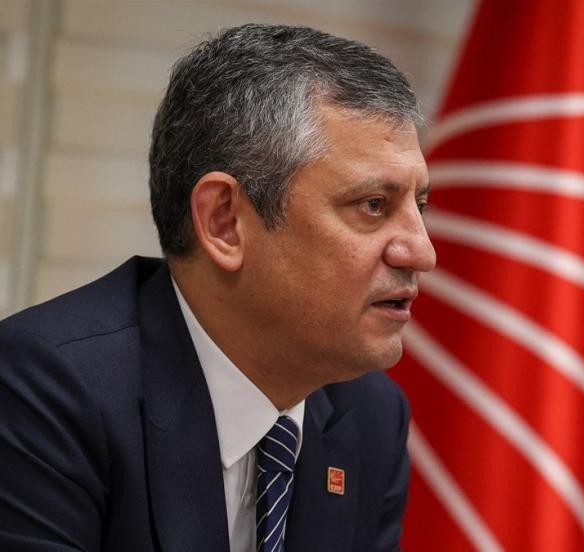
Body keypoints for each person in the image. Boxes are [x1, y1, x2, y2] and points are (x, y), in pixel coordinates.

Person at [0, 23, 435, 552]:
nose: (422, 252)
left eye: (420, 205)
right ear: (225, 222)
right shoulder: (44, 392)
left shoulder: (368, 416)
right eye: (373, 205)